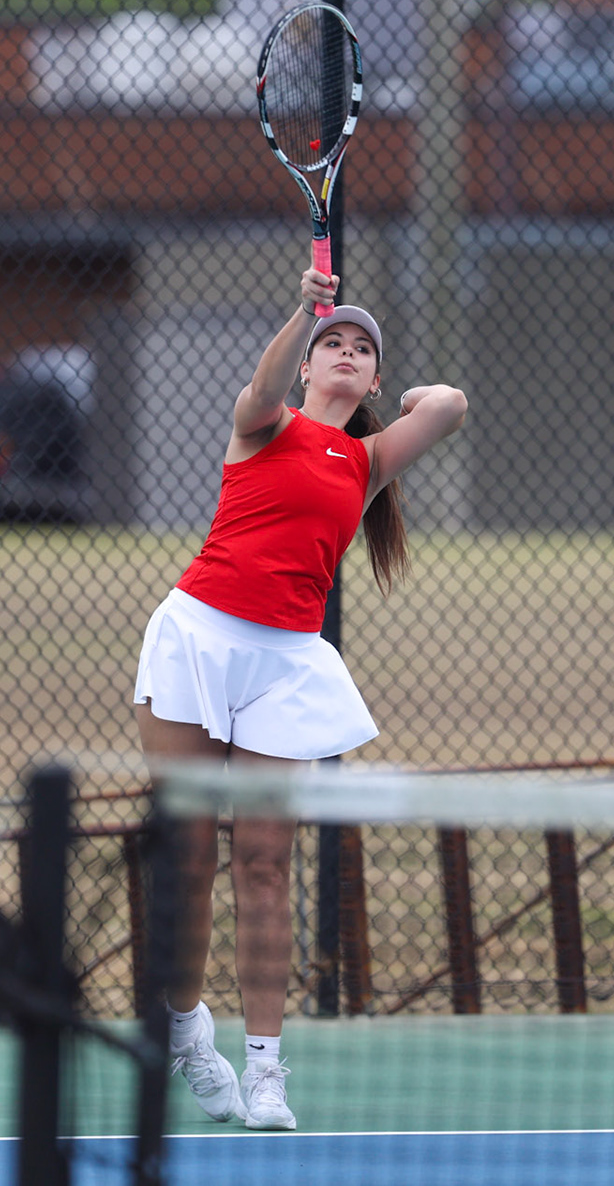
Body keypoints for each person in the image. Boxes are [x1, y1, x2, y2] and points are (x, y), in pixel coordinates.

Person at [132, 265, 467, 1131]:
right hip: (198, 641)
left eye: (362, 349)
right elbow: (261, 385)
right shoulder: (263, 426)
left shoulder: (367, 460)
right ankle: (184, 1029)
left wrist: (400, 392)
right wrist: (304, 311)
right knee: (191, 857)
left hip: (287, 664)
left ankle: (267, 1070)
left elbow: (451, 404)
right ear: (310, 368)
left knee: (266, 863)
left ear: (373, 381)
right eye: (334, 347)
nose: (345, 355)